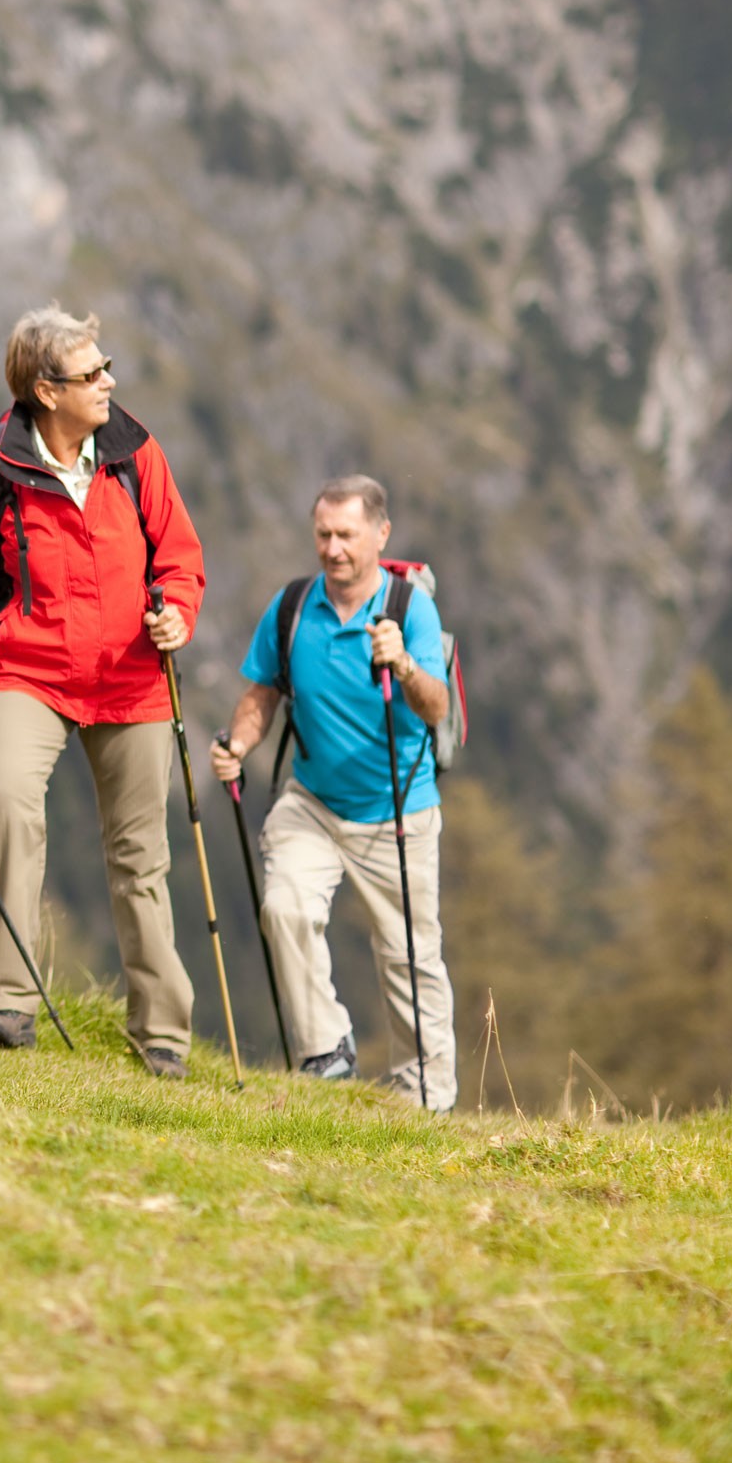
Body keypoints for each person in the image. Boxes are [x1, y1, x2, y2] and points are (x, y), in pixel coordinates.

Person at [0, 307, 206, 1076]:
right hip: (27, 672)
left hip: (132, 678)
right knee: (8, 805)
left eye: (106, 367)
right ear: (45, 390)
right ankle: (9, 1002)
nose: (108, 383)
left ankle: (161, 1032)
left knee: (141, 858)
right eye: (91, 374)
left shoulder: (135, 453)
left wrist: (177, 614)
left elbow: (181, 556)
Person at [210, 475, 456, 1109]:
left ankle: (426, 1098)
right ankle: (326, 1051)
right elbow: (262, 693)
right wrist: (238, 745)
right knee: (285, 907)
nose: (333, 548)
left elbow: (437, 707)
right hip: (313, 800)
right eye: (323, 534)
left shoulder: (409, 609)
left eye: (347, 534)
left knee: (409, 956)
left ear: (381, 534)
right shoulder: (293, 606)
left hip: (398, 808)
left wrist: (402, 664)